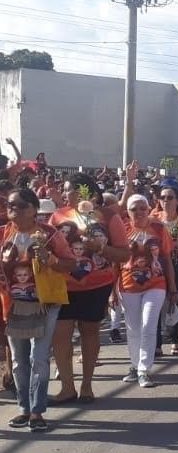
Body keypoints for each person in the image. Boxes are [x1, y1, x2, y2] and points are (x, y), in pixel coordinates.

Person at [49, 174, 129, 404]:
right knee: (61, 334)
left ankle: (86, 386)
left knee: (89, 331)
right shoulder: (58, 216)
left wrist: (100, 248)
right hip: (63, 284)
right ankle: (67, 387)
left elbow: (124, 254)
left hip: (96, 283)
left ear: (84, 192)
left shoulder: (108, 217)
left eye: (68, 190)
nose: (64, 195)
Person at [2, 188, 75, 432]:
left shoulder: (50, 235)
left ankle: (37, 411)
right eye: (11, 205)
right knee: (18, 361)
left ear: (34, 209)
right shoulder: (3, 235)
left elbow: (70, 264)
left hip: (45, 304)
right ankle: (24, 408)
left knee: (39, 358)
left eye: (21, 206)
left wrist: (50, 259)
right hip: (14, 306)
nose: (14, 210)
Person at [117, 194, 176, 388]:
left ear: (148, 208)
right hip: (128, 285)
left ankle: (144, 369)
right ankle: (134, 366)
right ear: (128, 211)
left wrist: (173, 287)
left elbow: (167, 258)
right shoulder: (122, 229)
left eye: (143, 208)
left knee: (148, 324)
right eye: (134, 209)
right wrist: (111, 292)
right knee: (133, 328)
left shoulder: (159, 228)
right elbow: (114, 262)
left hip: (155, 284)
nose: (139, 212)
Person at [152, 181, 178, 356]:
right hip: (157, 264)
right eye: (162, 197)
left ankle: (175, 339)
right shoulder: (154, 218)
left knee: (176, 300)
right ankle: (157, 343)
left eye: (170, 197)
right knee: (157, 303)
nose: (165, 201)